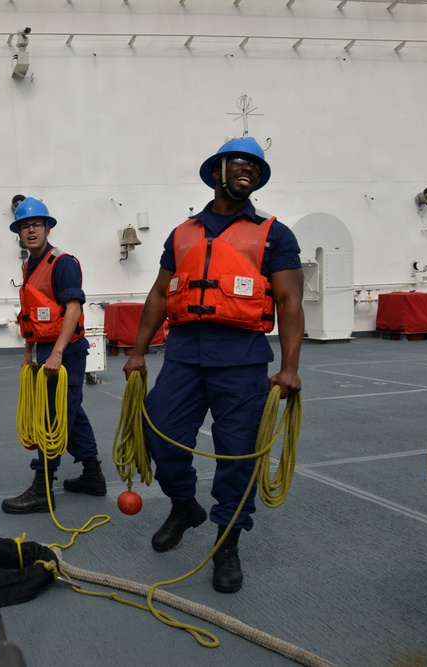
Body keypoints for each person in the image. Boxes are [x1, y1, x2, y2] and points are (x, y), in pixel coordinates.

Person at [122, 137, 303, 594]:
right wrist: (139, 352)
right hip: (183, 353)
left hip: (241, 359)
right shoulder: (182, 234)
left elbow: (289, 301)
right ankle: (184, 505)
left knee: (238, 454)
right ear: (217, 170)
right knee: (158, 434)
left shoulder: (274, 234)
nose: (250, 171)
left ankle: (227, 540)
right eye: (241, 163)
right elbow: (161, 295)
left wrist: (289, 368)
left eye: (257, 168)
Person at [1, 196, 105, 514]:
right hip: (45, 349)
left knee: (54, 417)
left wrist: (57, 353)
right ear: (18, 232)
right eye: (24, 226)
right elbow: (32, 314)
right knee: (72, 415)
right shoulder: (30, 265)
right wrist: (28, 352)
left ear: (47, 227)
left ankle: (43, 487)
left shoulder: (63, 263)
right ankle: (93, 476)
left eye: (36, 224)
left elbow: (73, 309)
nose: (31, 230)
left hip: (66, 351)